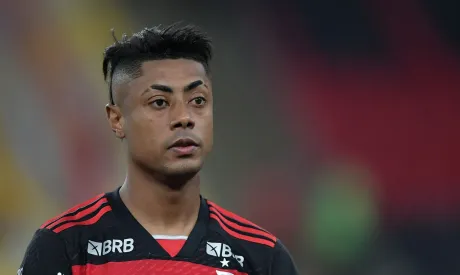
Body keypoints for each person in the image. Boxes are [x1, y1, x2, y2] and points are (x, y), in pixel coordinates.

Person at [18, 23, 299, 275]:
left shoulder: (262, 257)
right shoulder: (65, 247)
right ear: (117, 120)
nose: (184, 117)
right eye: (160, 102)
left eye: (198, 100)